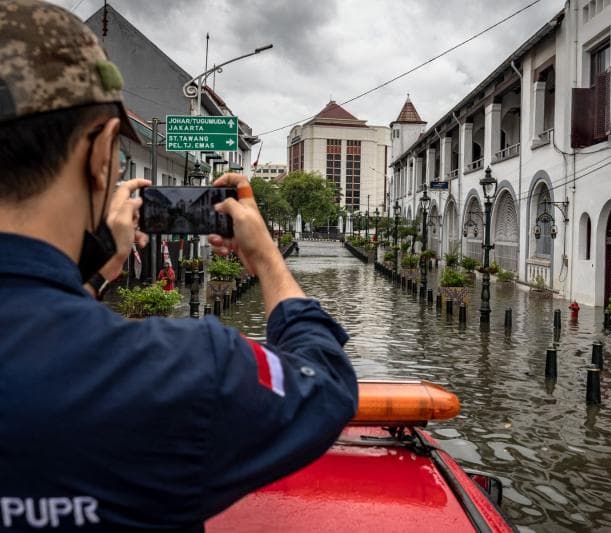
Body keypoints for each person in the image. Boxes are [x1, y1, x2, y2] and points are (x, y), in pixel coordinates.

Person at [0, 2, 357, 531]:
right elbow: (325, 382)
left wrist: (95, 277)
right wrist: (265, 258)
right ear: (100, 155)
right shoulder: (176, 372)